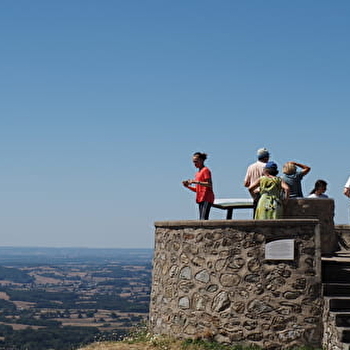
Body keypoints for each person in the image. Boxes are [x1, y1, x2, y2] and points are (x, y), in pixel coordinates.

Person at [182, 152, 215, 220]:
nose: (195, 164)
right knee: (201, 219)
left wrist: (195, 182)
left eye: (196, 161)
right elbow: (198, 189)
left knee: (203, 218)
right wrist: (187, 186)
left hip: (206, 197)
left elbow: (209, 184)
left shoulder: (205, 170)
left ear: (201, 160)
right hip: (200, 198)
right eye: (194, 162)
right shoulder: (197, 173)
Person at [244, 148, 270, 215]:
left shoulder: (251, 167)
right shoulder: (267, 167)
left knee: (256, 215)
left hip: (254, 194)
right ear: (266, 157)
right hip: (266, 195)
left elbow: (246, 183)